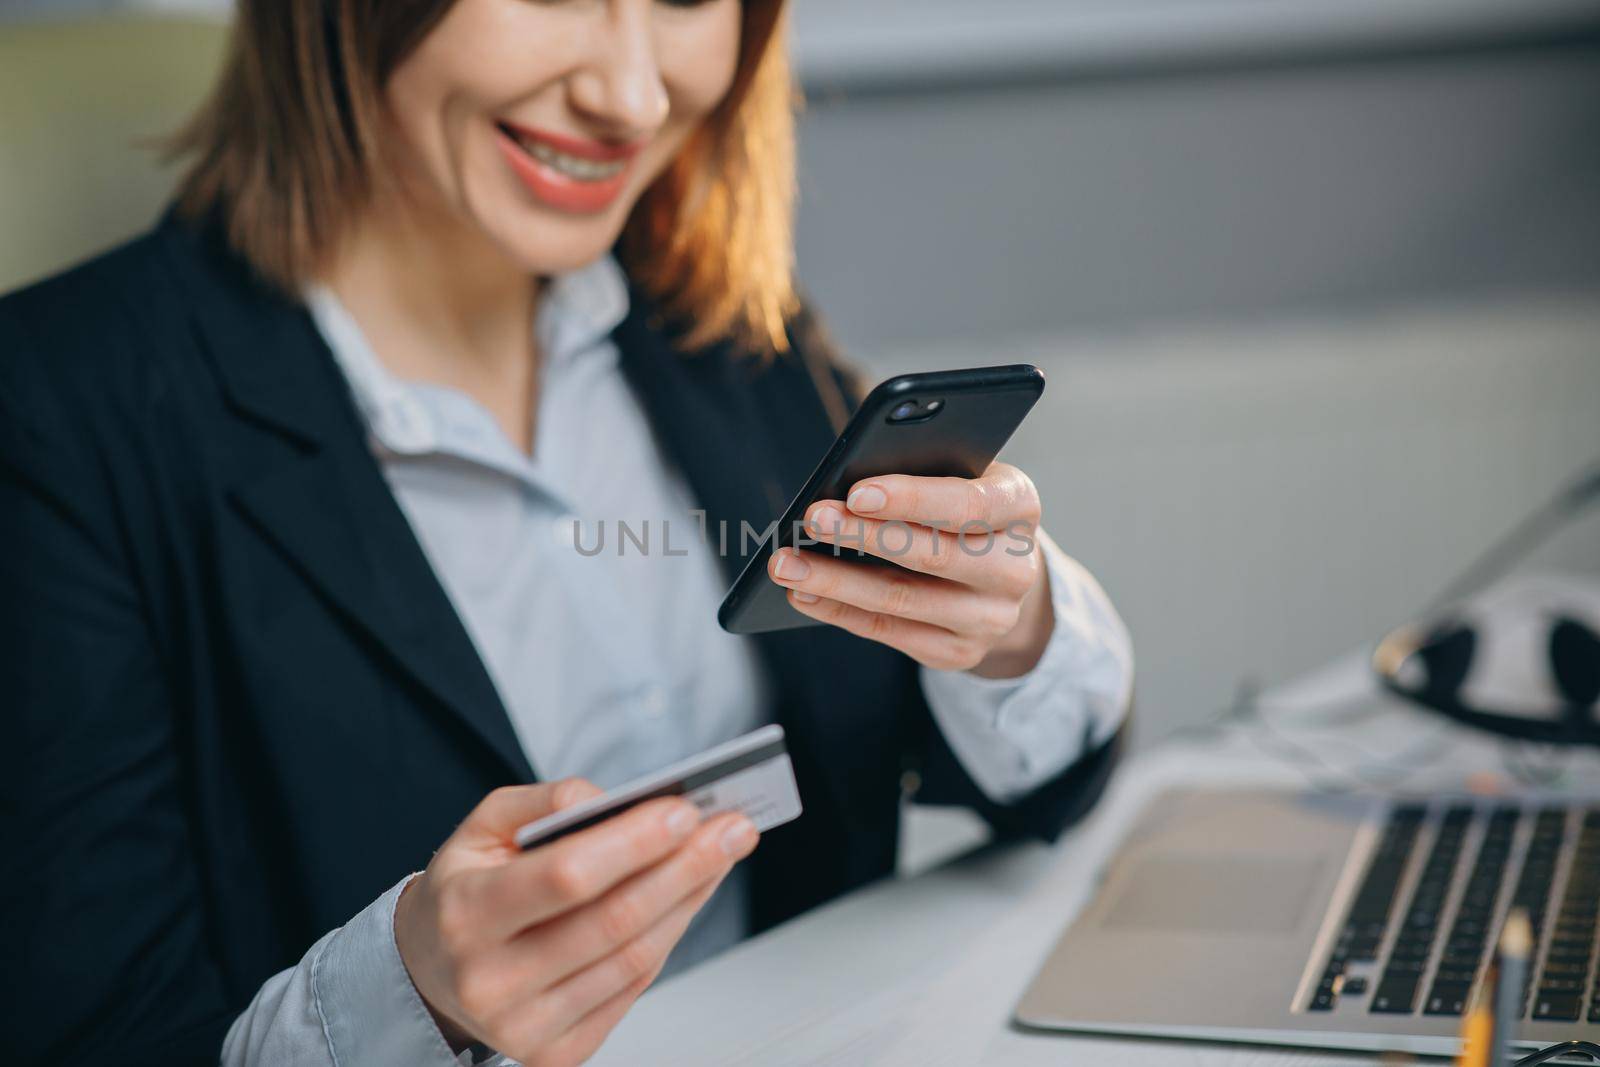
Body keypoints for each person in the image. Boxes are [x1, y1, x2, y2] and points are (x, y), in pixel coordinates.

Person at [0, 1, 1134, 1064]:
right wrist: (414, 995)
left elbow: (1027, 781)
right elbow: (93, 1031)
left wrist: (1012, 630)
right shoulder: (55, 409)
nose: (634, 98)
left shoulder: (721, 320)